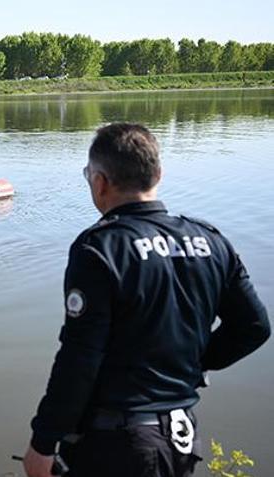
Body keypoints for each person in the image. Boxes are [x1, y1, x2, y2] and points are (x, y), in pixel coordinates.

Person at [23, 123, 270, 477]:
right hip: (181, 437)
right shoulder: (211, 241)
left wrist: (43, 442)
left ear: (100, 182)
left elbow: (79, 358)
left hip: (118, 446)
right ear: (158, 174)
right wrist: (194, 362)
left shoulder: (101, 249)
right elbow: (254, 327)